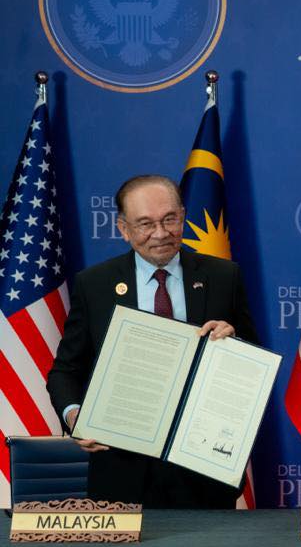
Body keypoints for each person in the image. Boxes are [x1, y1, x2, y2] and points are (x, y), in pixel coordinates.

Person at [46, 175, 258, 508]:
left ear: (183, 216)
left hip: (202, 471)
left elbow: (253, 359)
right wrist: (75, 417)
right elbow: (65, 371)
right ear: (123, 229)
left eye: (169, 219)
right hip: (121, 471)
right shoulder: (95, 284)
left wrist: (234, 343)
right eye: (145, 224)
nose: (160, 234)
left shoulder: (223, 276)